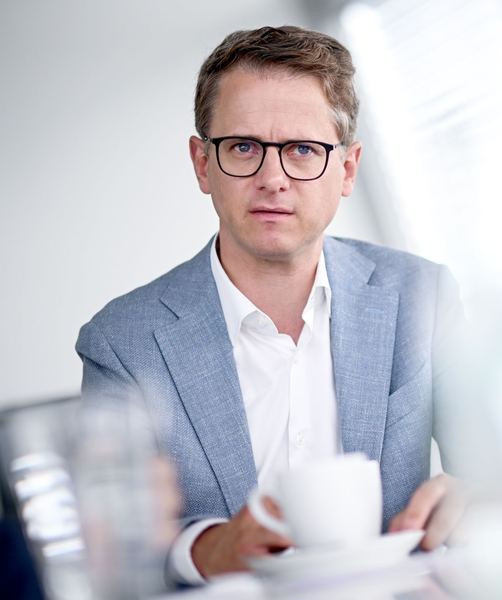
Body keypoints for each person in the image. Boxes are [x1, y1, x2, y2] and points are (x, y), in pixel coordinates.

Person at [75, 25, 472, 584]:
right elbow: (112, 547)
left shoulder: (423, 298)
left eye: (303, 150)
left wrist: (478, 503)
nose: (272, 179)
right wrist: (206, 550)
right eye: (243, 147)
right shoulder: (122, 342)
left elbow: (497, 484)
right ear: (202, 163)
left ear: (347, 170)